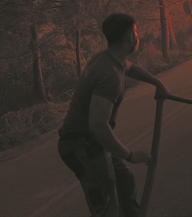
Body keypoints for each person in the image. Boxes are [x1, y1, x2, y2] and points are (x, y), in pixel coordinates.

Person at [57, 13, 169, 217]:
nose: (138, 37)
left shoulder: (107, 59)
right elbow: (98, 126)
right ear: (129, 37)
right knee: (106, 206)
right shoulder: (109, 75)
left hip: (93, 143)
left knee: (124, 182)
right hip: (82, 147)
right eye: (136, 32)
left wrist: (157, 83)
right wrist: (130, 155)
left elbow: (130, 68)